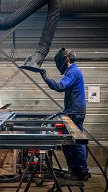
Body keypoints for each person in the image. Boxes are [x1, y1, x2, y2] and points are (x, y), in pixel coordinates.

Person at [40, 48, 90, 181]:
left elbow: (60, 86)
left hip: (74, 112)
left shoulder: (73, 72)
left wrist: (45, 77)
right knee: (69, 142)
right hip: (72, 111)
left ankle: (81, 172)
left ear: (66, 59)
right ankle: (76, 170)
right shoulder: (73, 71)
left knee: (76, 142)